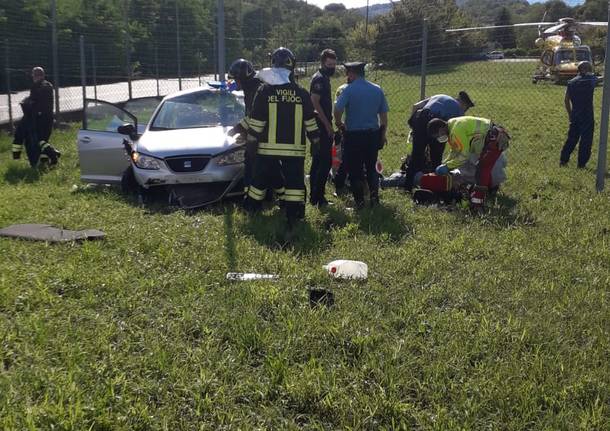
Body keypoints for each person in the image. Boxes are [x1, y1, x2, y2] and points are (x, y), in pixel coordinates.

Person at [243, 47, 320, 226]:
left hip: (266, 149)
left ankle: (252, 209)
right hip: (294, 150)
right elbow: (310, 120)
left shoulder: (264, 91)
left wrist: (252, 142)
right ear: (292, 67)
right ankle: (295, 213)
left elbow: (256, 121)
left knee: (258, 180)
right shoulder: (301, 93)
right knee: (295, 182)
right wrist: (315, 141)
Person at [417, 116, 510, 208]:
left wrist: (447, 167)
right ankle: (487, 193)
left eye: (438, 135)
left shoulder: (456, 131)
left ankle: (477, 204)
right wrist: (445, 163)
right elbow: (455, 151)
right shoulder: (451, 126)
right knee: (481, 170)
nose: (439, 138)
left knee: (481, 171)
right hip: (492, 137)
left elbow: (463, 156)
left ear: (441, 128)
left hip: (494, 140)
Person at [333, 62, 389, 208]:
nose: (347, 76)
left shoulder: (348, 90)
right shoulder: (377, 89)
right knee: (372, 167)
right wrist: (382, 134)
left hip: (354, 136)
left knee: (355, 169)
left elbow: (337, 109)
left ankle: (360, 203)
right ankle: (375, 200)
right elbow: (383, 115)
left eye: (348, 73)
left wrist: (339, 123)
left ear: (352, 73)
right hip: (372, 135)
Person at [404, 91, 474, 190]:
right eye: (466, 108)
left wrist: (413, 126)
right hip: (438, 124)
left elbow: (415, 106)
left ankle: (408, 185)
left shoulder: (438, 96)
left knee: (416, 155)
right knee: (436, 158)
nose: (465, 111)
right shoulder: (459, 111)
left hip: (421, 119)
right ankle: (435, 186)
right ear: (463, 104)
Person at [12, 67, 60, 166]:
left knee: (39, 140)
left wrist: (28, 102)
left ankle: (53, 154)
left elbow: (35, 101)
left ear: (38, 76)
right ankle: (45, 161)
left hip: (41, 118)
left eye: (34, 76)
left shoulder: (39, 86)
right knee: (43, 140)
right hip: (47, 117)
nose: (34, 78)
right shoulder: (47, 85)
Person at [227, 58, 263, 191]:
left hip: (261, 137)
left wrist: (237, 128)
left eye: (236, 79)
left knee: (254, 167)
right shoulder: (250, 88)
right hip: (255, 135)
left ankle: (254, 198)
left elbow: (255, 115)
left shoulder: (257, 89)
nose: (235, 82)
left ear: (243, 77)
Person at [309, 49, 337, 207]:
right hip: (320, 126)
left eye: (334, 64)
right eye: (329, 64)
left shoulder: (324, 77)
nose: (332, 67)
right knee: (325, 162)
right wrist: (327, 126)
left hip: (320, 124)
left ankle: (314, 196)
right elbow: (314, 102)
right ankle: (319, 197)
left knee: (318, 161)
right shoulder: (319, 79)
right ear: (322, 63)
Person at [560, 61, 597, 168]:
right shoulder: (590, 79)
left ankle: (563, 160)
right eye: (590, 68)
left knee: (572, 138)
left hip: (575, 114)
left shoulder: (571, 82)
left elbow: (566, 100)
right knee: (586, 140)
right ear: (586, 69)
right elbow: (601, 79)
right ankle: (581, 164)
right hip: (587, 115)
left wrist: (570, 114)